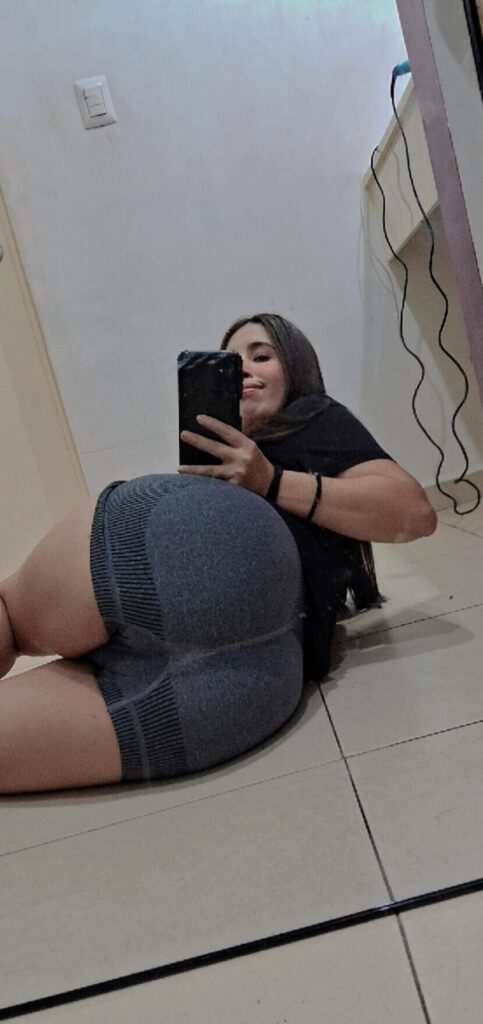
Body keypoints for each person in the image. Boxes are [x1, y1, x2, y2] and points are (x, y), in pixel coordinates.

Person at [0, 314, 436, 794]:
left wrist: (270, 481)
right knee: (9, 620)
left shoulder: (315, 416)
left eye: (262, 356)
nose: (245, 368)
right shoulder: (223, 463)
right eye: (230, 363)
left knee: (11, 621)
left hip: (240, 672)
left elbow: (414, 512)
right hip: (223, 643)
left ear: (297, 369)